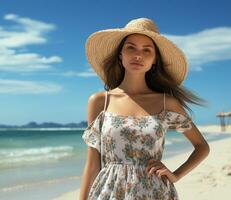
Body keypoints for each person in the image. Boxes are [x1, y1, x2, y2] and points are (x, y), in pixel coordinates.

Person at [80, 18, 210, 200]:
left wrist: (176, 175)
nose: (138, 55)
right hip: (109, 192)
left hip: (154, 193)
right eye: (130, 47)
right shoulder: (100, 101)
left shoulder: (166, 103)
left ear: (154, 60)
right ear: (120, 55)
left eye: (146, 50)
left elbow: (202, 146)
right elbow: (93, 164)